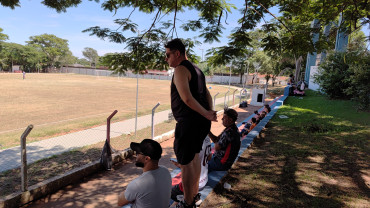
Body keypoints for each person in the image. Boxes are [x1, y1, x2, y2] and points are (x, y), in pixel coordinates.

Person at [165, 38, 217, 208]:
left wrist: (207, 114)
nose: (166, 59)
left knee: (186, 165)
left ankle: (188, 203)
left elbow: (187, 98)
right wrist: (209, 113)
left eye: (167, 55)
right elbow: (207, 95)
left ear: (177, 53)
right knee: (194, 161)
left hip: (189, 124)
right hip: (200, 124)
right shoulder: (197, 69)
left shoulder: (180, 69)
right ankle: (193, 197)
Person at [117, 139, 172, 208]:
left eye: (138, 153)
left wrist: (129, 191)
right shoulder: (165, 171)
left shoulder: (137, 184)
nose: (136, 156)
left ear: (147, 159)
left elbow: (119, 202)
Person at [170, 136, 212, 206]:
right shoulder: (206, 137)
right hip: (204, 179)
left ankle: (190, 201)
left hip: (195, 184)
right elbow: (209, 157)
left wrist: (178, 165)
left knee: (173, 193)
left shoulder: (191, 140)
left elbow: (189, 168)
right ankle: (193, 200)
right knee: (180, 196)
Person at [208, 108, 240, 172]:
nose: (222, 119)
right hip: (224, 161)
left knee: (202, 165)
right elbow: (216, 139)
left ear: (230, 120)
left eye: (224, 118)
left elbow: (216, 147)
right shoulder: (232, 128)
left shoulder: (229, 133)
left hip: (222, 163)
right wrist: (208, 131)